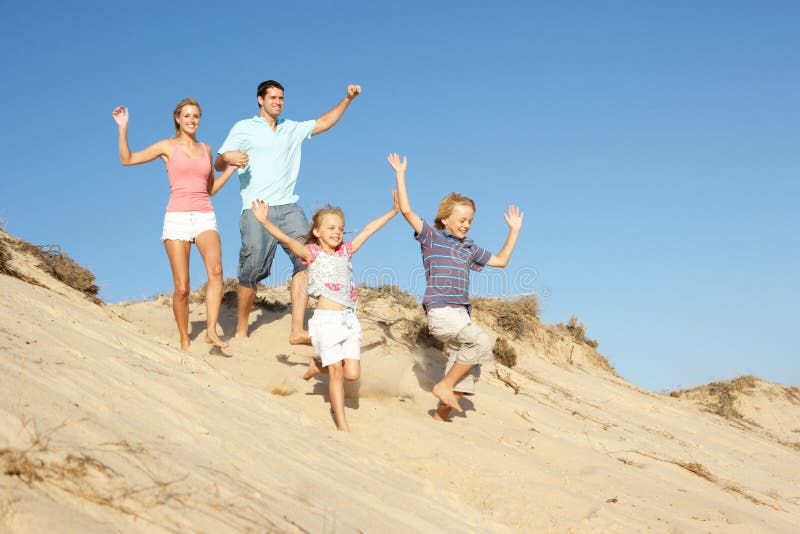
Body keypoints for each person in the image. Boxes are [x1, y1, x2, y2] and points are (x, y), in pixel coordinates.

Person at [215, 80, 362, 344]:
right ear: (260, 100)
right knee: (252, 267)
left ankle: (297, 330)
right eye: (272, 97)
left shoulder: (291, 128)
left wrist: (347, 99)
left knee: (306, 260)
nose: (278, 102)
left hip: (289, 206)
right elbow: (218, 162)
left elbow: (324, 122)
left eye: (281, 98)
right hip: (256, 207)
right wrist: (229, 157)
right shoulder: (244, 128)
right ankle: (241, 328)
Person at [387, 153, 524, 420]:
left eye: (470, 220)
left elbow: (502, 261)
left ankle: (439, 418)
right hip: (441, 312)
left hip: (461, 315)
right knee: (482, 342)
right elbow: (406, 210)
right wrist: (400, 174)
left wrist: (514, 231)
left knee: (469, 368)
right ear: (445, 218)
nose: (466, 224)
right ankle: (443, 386)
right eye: (461, 219)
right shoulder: (432, 237)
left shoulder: (469, 247)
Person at [250, 194, 398, 431]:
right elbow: (287, 241)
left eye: (340, 228)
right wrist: (265, 222)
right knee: (337, 372)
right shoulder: (312, 254)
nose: (337, 232)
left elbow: (368, 230)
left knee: (352, 374)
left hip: (348, 320)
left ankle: (319, 366)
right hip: (326, 321)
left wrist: (392, 211)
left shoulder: (346, 252)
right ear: (317, 232)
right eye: (331, 227)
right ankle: (341, 424)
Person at [112, 99, 236, 351]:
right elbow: (127, 159)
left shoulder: (207, 149)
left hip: (204, 215)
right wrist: (123, 127)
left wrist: (231, 170)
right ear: (178, 118)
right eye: (187, 115)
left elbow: (210, 189)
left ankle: (211, 329)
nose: (192, 120)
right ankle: (183, 338)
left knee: (216, 271)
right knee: (182, 288)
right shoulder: (166, 147)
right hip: (177, 218)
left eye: (197, 116)